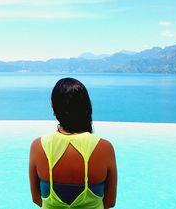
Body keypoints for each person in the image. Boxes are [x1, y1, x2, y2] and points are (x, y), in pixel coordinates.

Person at [29, 77, 117, 209]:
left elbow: (36, 198)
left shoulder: (38, 146)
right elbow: (110, 202)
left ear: (53, 106)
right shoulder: (104, 148)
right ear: (86, 106)